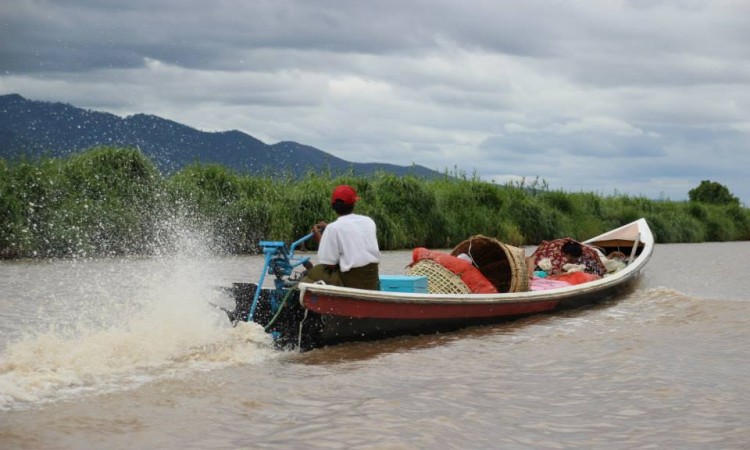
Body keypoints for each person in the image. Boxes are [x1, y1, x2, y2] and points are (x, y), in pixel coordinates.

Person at [301, 185, 381, 290]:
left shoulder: (333, 228)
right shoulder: (369, 221)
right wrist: (329, 229)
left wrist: (321, 238)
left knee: (313, 273)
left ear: (333, 206)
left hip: (351, 282)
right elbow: (352, 233)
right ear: (354, 204)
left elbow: (329, 264)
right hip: (371, 280)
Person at [526, 238, 607, 278]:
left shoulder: (581, 264)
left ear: (569, 254)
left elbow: (576, 276)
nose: (564, 257)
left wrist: (560, 274)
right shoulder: (583, 259)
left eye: (565, 255)